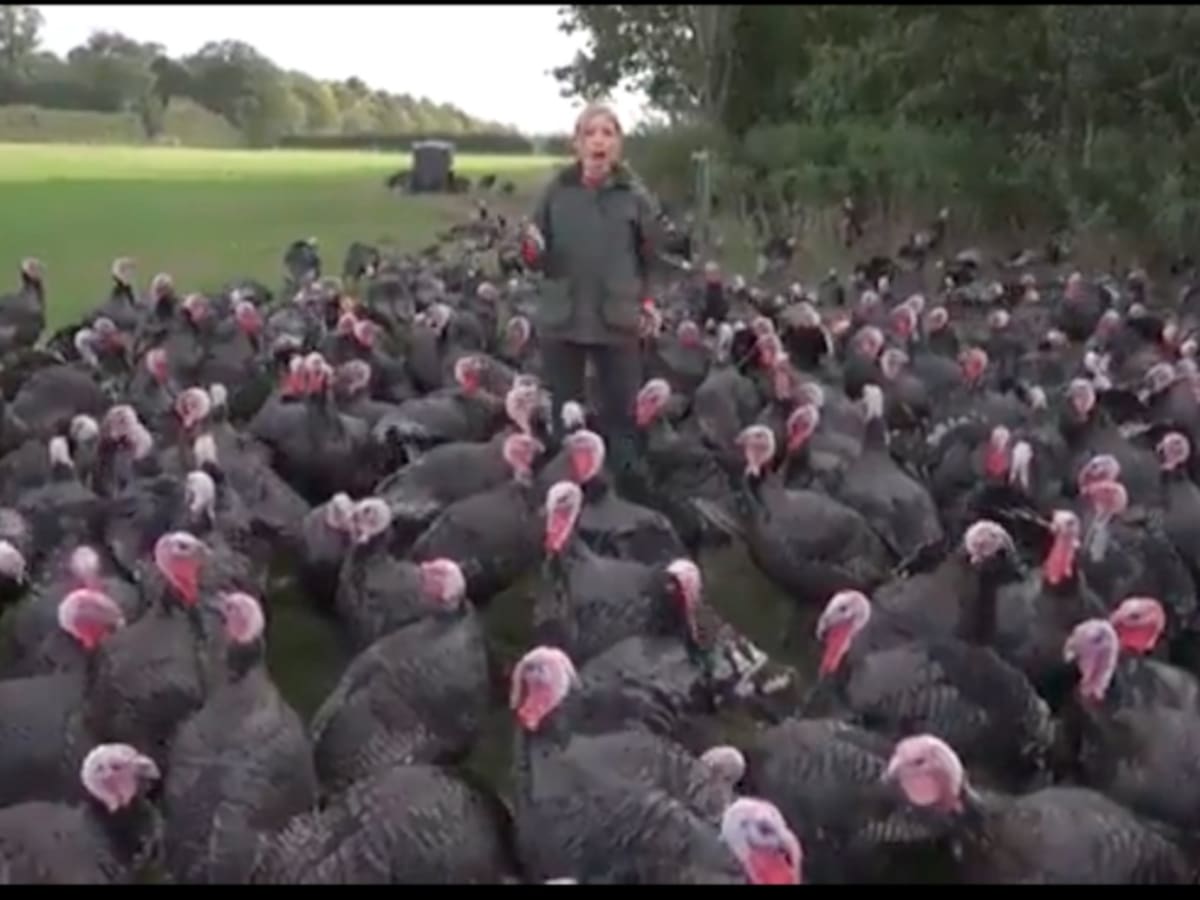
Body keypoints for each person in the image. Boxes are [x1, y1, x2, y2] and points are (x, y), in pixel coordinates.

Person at [519, 102, 665, 485]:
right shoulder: (555, 192)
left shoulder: (635, 197)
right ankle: (565, 496)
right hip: (562, 318)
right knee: (563, 416)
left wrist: (647, 302)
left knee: (623, 419)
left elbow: (650, 258)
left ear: (619, 145)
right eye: (590, 133)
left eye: (608, 133)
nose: (599, 141)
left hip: (617, 319)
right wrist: (531, 251)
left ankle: (626, 500)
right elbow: (533, 256)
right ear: (577, 144)